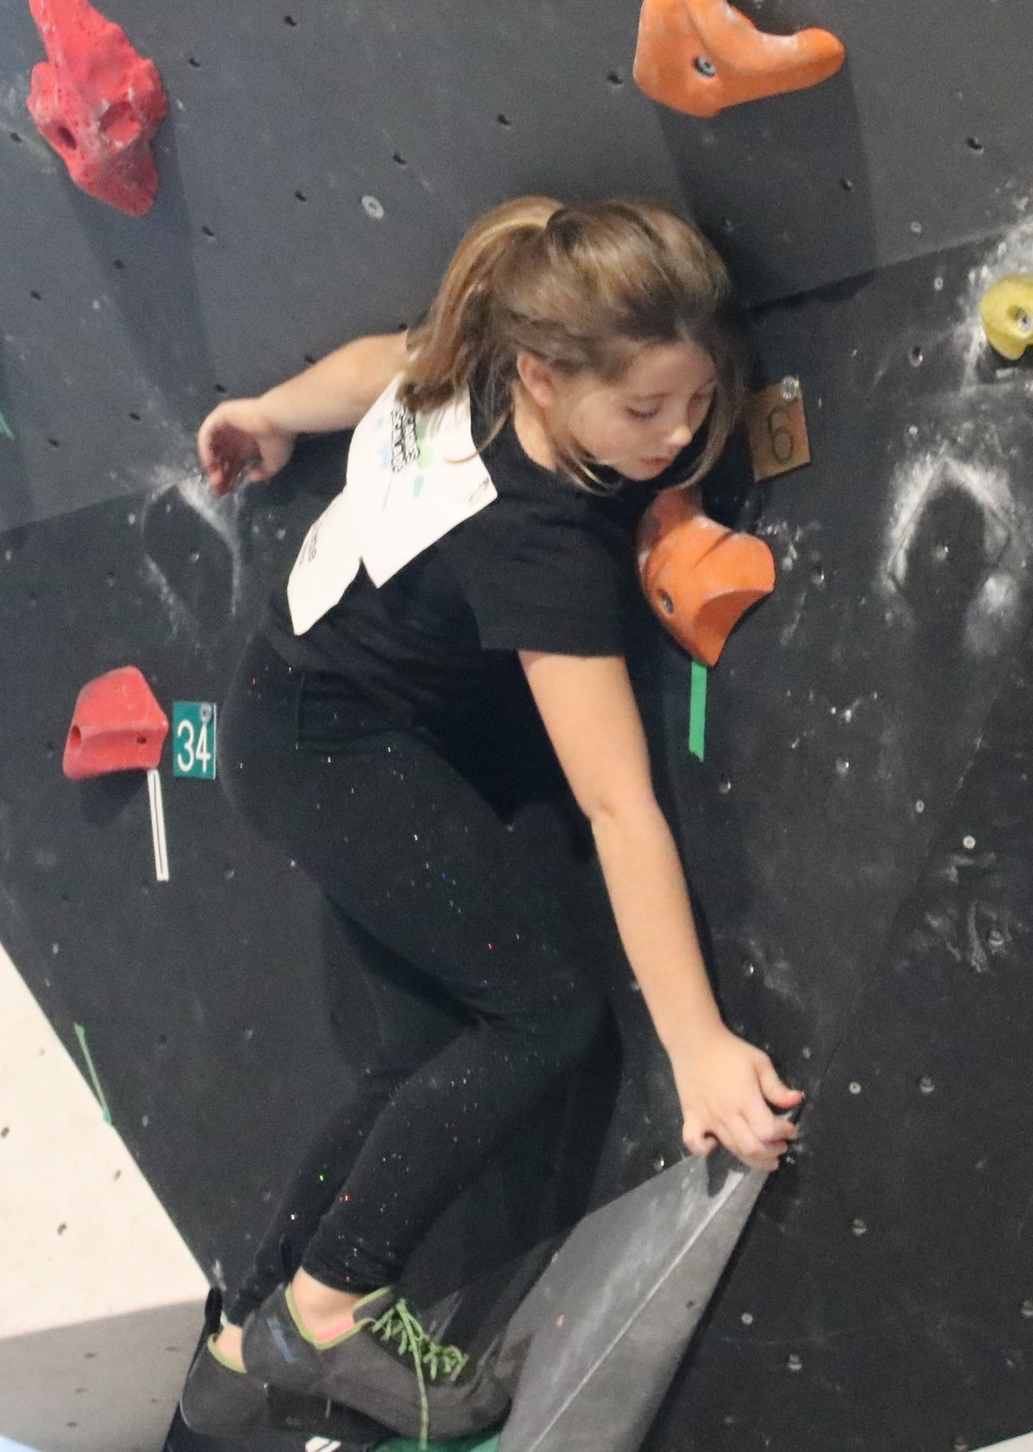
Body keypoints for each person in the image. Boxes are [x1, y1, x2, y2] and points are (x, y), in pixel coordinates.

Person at [180, 197, 802, 1443]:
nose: (680, 435)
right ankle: (328, 1312)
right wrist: (694, 1041)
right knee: (541, 1013)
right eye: (645, 410)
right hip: (328, 748)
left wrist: (270, 412)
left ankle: (241, 1351)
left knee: (414, 1050)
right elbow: (615, 803)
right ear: (543, 375)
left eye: (698, 400)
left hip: (292, 706)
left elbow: (379, 368)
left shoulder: (475, 355)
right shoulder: (540, 543)